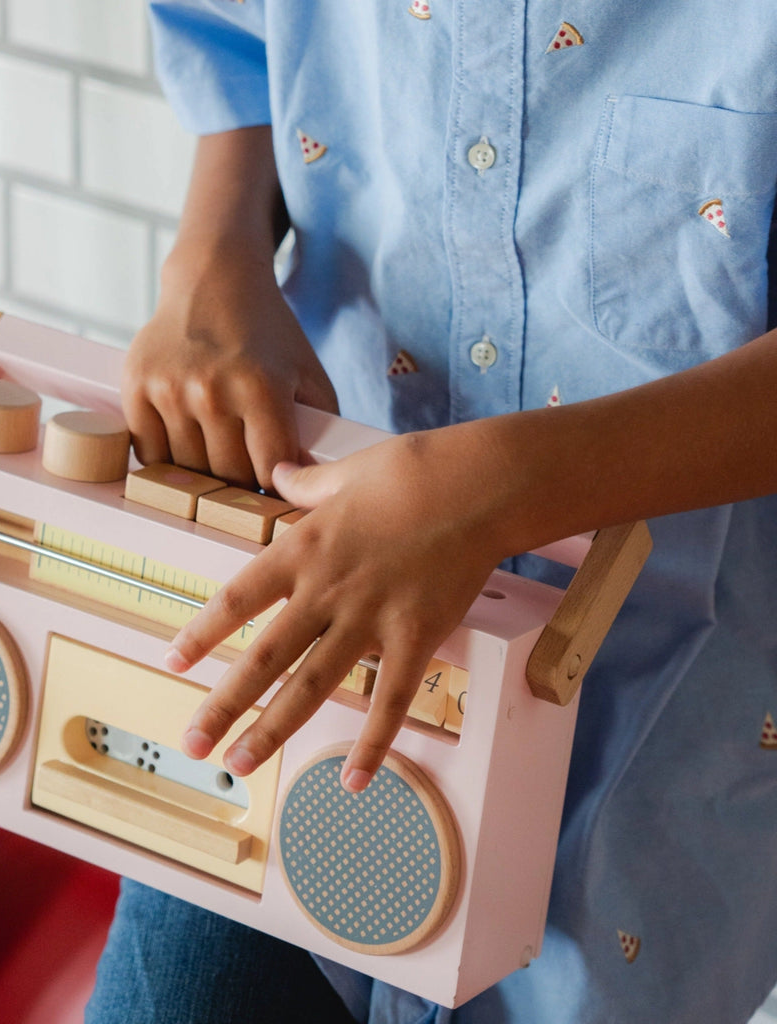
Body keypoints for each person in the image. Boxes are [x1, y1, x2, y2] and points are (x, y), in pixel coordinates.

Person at [87, 2, 777, 1021]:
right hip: (305, 639)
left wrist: (504, 487)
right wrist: (212, 253)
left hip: (651, 727)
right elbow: (233, 32)